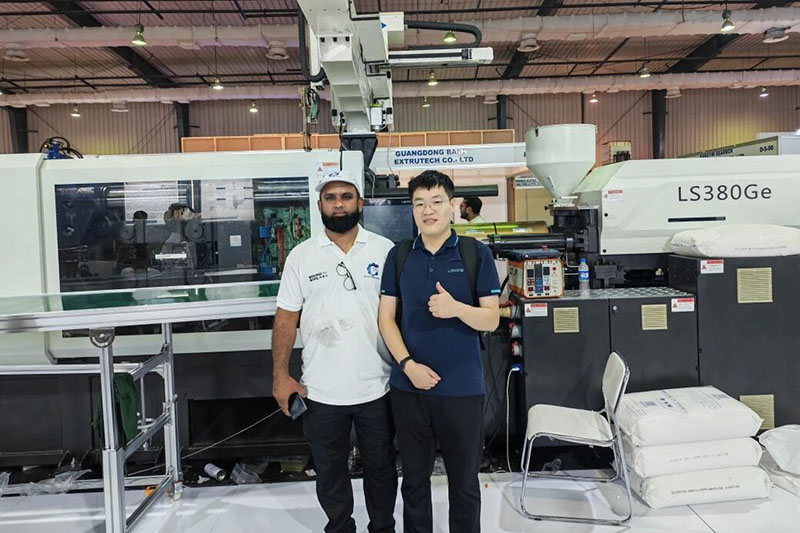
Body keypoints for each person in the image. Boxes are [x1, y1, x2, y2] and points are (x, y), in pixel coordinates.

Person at [272, 170, 398, 533]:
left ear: (360, 203)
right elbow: (285, 319)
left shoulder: (385, 250)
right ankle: (340, 527)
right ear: (319, 205)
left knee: (382, 467)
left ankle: (383, 528)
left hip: (378, 385)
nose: (338, 204)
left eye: (346, 196)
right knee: (329, 470)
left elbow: (401, 314)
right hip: (321, 389)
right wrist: (281, 376)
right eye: (331, 198)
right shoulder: (302, 256)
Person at [377, 170, 501, 533]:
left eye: (436, 202)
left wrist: (457, 309)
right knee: (414, 483)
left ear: (452, 205)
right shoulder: (399, 255)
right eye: (419, 203)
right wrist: (407, 365)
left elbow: (491, 319)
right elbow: (385, 318)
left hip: (462, 390)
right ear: (412, 209)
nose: (427, 210)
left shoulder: (474, 253)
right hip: (409, 389)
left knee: (464, 485)